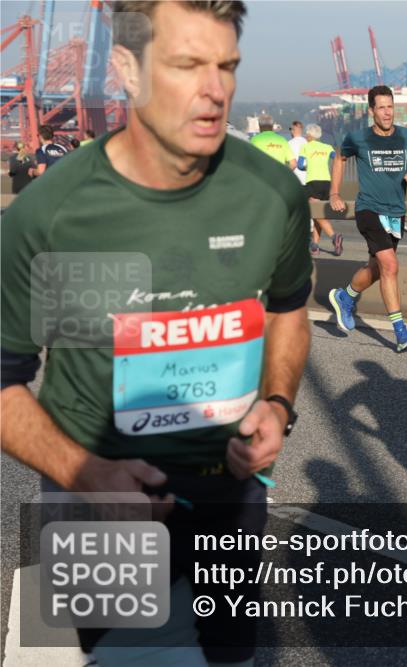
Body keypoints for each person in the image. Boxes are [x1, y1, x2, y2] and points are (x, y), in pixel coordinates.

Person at [1, 3, 311, 666]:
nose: (216, 89)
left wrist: (278, 405)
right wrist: (88, 474)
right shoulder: (49, 216)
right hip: (103, 502)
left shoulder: (273, 194)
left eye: (226, 65)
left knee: (230, 658)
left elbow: (289, 306)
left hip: (230, 498)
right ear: (127, 70)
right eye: (187, 65)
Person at [327, 85, 407, 353]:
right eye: (381, 107)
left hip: (396, 212)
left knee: (377, 268)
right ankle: (400, 332)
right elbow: (340, 158)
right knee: (390, 265)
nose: (387, 112)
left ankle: (344, 297)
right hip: (369, 209)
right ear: (372, 111)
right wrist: (334, 193)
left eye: (390, 107)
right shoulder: (358, 138)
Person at [299, 123, 343, 256]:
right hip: (327, 183)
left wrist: (309, 166)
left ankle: (334, 236)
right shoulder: (327, 147)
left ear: (309, 135)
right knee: (319, 214)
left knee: (314, 212)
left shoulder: (305, 146)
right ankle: (315, 245)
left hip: (313, 182)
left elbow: (300, 165)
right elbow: (336, 158)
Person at [288, 120, 308, 185]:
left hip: (296, 180)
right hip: (309, 180)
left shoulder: (289, 143)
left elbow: (292, 164)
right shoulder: (308, 143)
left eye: (290, 129)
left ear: (292, 130)